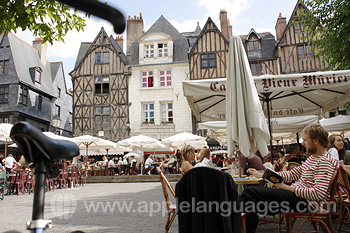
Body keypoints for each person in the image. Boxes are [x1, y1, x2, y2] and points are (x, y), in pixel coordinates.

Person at [240, 124, 338, 233]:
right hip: (297, 197)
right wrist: (262, 175)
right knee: (250, 200)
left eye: (305, 140)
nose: (302, 143)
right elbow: (291, 174)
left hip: (307, 202)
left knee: (250, 194)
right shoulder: (313, 158)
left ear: (316, 141)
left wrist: (287, 188)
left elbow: (318, 193)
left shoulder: (324, 162)